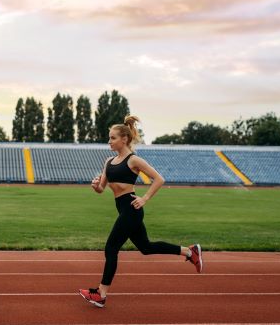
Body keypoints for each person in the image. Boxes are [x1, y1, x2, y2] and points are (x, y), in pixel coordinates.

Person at [79, 115, 202, 308]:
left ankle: (101, 294)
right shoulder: (108, 162)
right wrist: (95, 186)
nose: (109, 141)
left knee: (111, 248)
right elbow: (102, 189)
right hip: (123, 209)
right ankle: (189, 251)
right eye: (109, 138)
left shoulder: (133, 160)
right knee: (145, 247)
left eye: (112, 138)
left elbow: (159, 179)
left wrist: (144, 198)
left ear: (124, 139)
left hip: (131, 208)